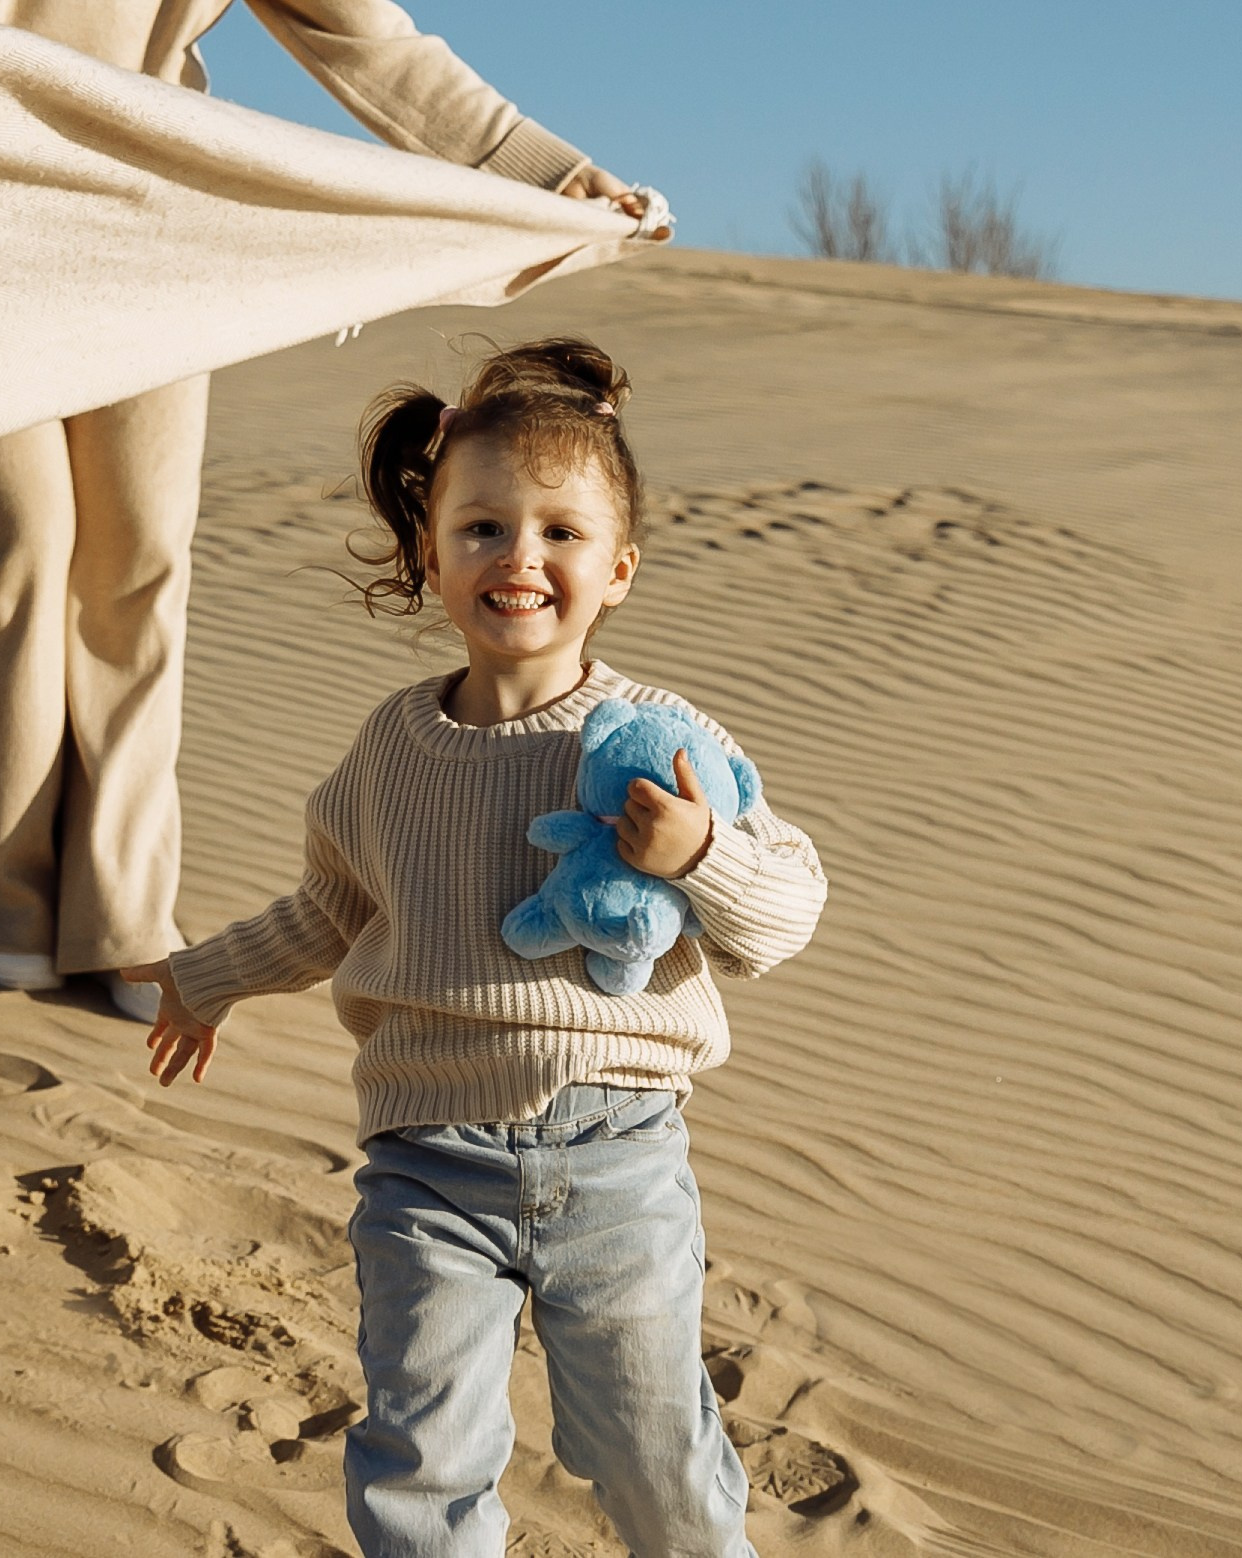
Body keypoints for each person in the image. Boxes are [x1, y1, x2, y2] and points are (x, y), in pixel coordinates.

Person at [123, 340, 826, 1555]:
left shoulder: (660, 742)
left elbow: (785, 915)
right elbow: (334, 908)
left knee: (651, 1454)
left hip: (616, 1161)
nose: (522, 558)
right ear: (430, 554)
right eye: (485, 527)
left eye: (561, 533)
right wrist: (207, 976)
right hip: (428, 1170)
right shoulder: (393, 749)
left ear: (618, 570)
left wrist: (699, 852)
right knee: (421, 1456)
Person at [0, 0, 656, 1021]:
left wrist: (540, 173)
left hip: (149, 211)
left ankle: (120, 915)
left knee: (137, 556)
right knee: (7, 545)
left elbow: (366, 36)